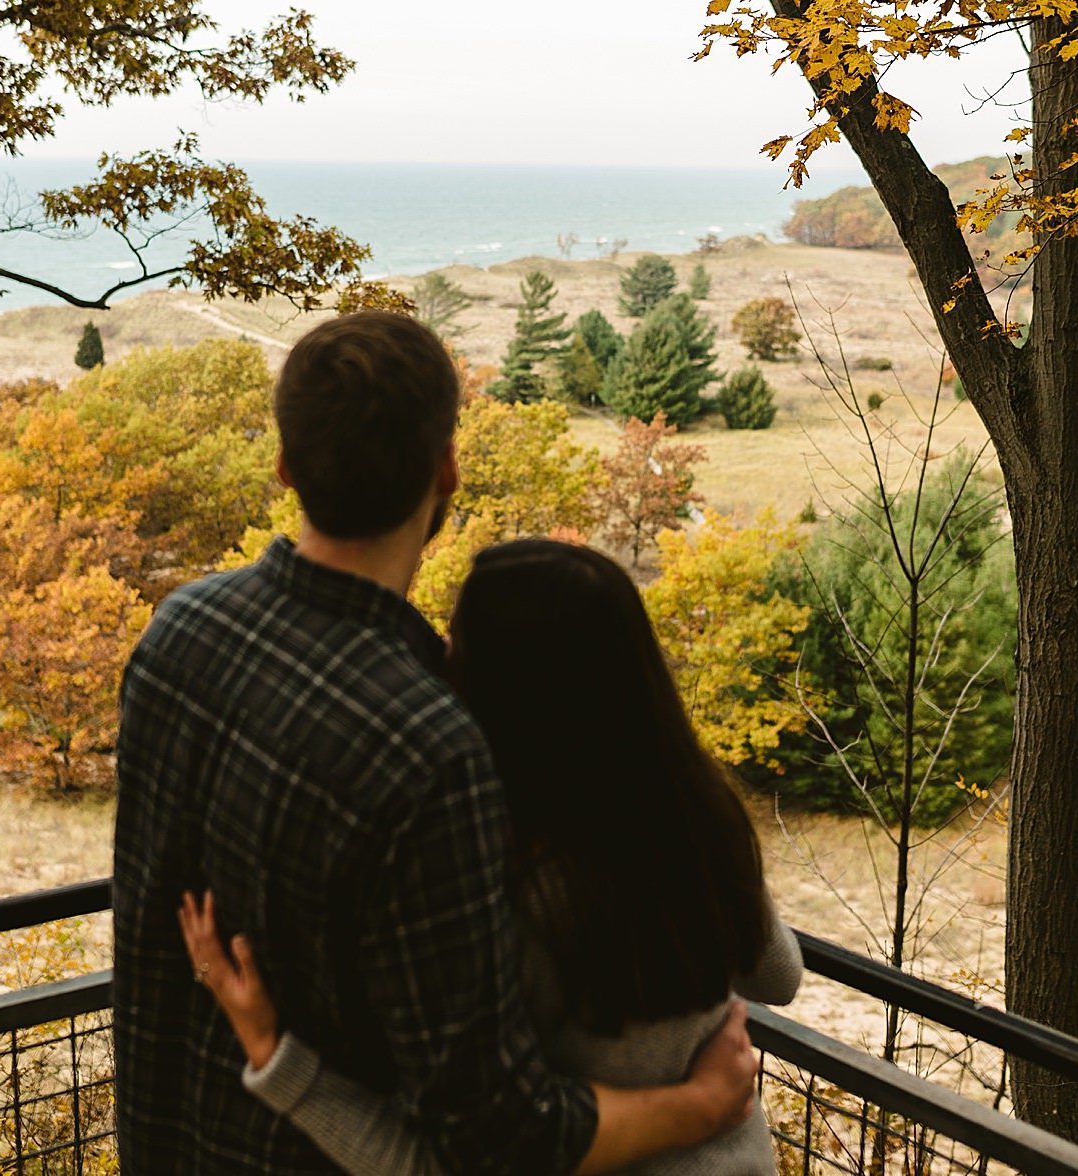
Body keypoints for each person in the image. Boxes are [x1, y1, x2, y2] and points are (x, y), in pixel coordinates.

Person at [113, 311, 759, 1176]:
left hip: (165, 1143)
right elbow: (495, 1134)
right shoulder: (429, 747)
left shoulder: (178, 633)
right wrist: (702, 1106)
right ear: (446, 467)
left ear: (285, 467)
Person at [182, 538, 803, 1176]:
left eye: (457, 639)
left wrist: (271, 1053)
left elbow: (449, 1162)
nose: (441, 654)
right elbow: (779, 978)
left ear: (501, 688)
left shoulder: (512, 893)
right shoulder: (700, 823)